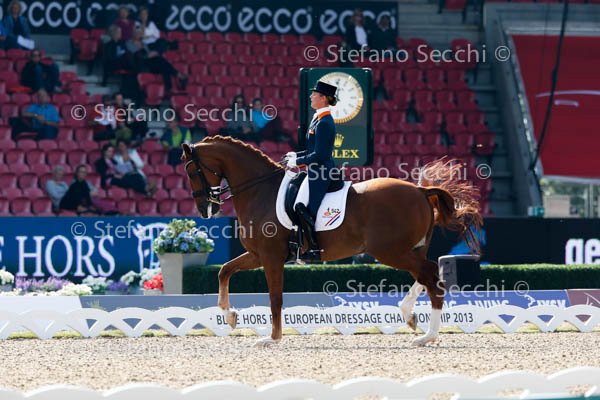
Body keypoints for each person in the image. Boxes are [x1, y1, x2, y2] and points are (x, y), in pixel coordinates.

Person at [284, 81, 338, 261]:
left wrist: (298, 161)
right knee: (297, 204)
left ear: (323, 98)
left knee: (304, 208)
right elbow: (312, 150)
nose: (310, 97)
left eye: (314, 94)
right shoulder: (317, 119)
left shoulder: (325, 122)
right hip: (314, 171)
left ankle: (313, 248)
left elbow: (321, 154)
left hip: (321, 172)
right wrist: (296, 155)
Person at [126, 26, 186, 94]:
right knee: (161, 61)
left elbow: (148, 52)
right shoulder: (129, 43)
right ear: (133, 33)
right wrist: (148, 55)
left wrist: (152, 54)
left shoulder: (143, 43)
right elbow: (135, 54)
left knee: (164, 67)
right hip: (140, 63)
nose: (138, 34)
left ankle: (169, 88)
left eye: (139, 33)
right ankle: (178, 76)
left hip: (150, 62)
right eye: (137, 33)